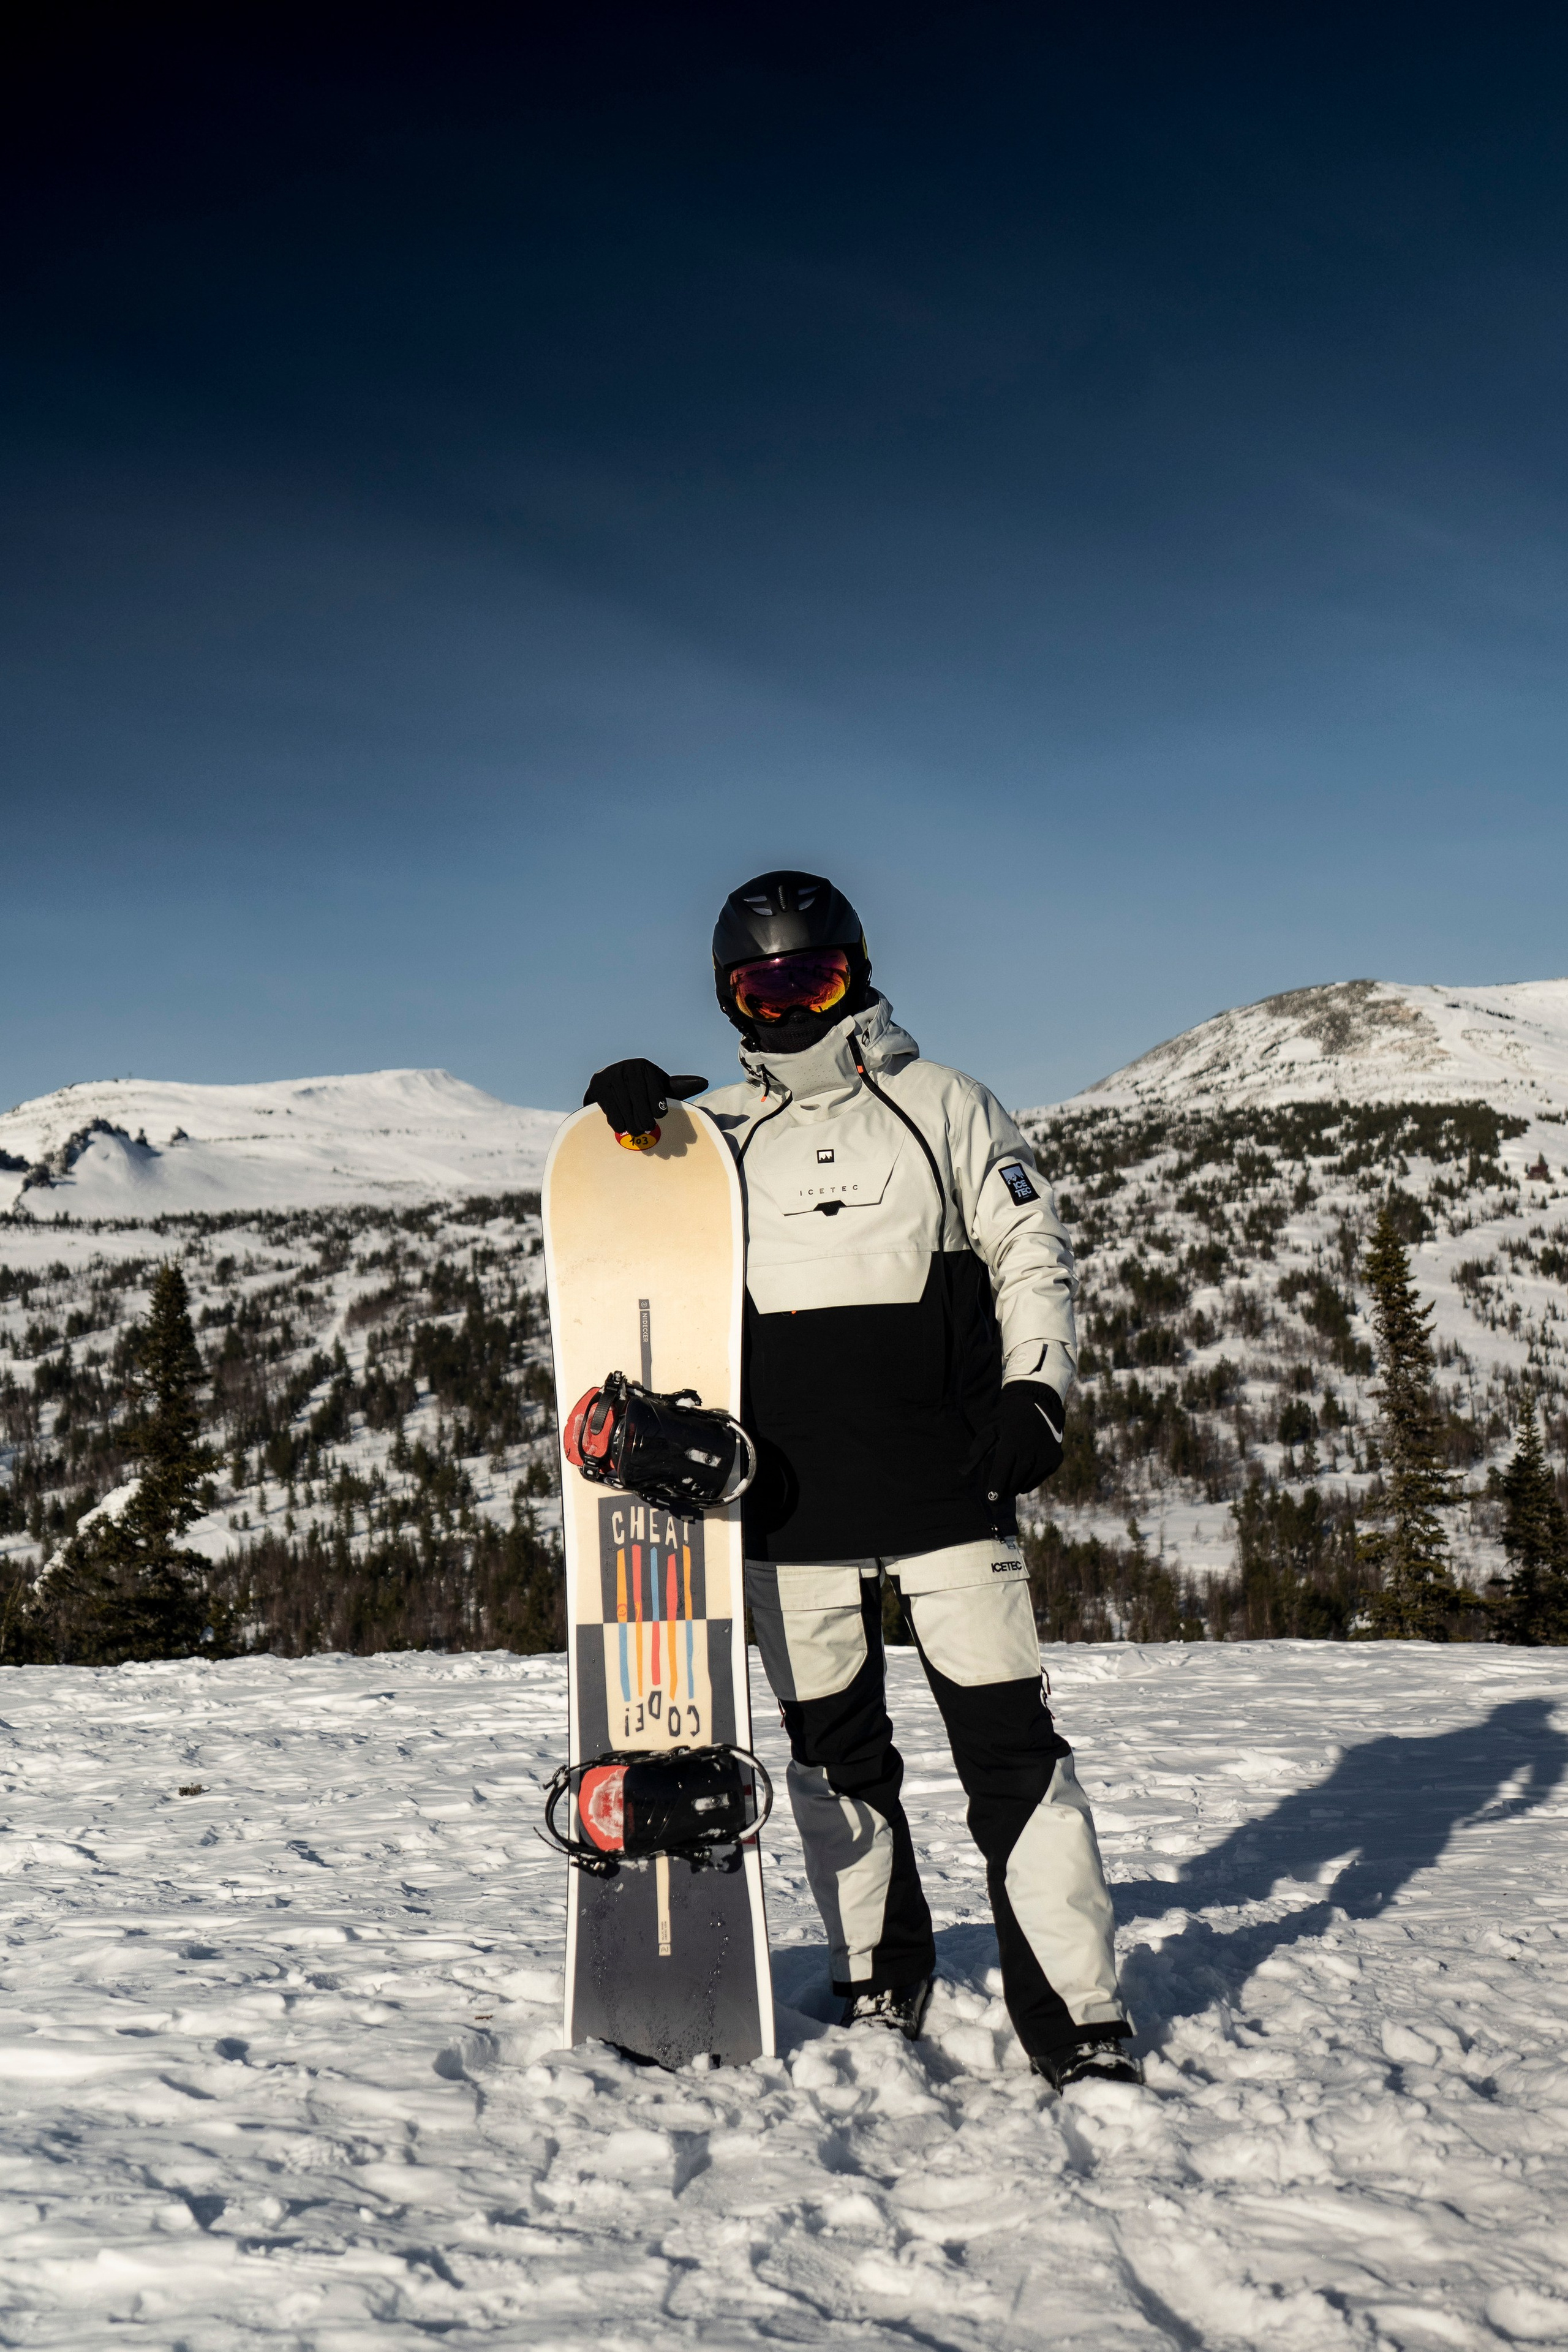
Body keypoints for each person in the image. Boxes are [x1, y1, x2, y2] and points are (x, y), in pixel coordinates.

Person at [583, 869, 1139, 2090]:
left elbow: (1027, 1250)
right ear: (728, 998)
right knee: (834, 1762)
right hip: (789, 1510)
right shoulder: (714, 1138)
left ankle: (1080, 2014)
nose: (789, 1009)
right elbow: (626, 1239)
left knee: (1011, 1755)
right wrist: (624, 1127)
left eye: (812, 979)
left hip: (949, 1489)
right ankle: (877, 1975)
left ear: (859, 973)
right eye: (761, 986)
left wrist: (1035, 1389)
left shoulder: (945, 1104)